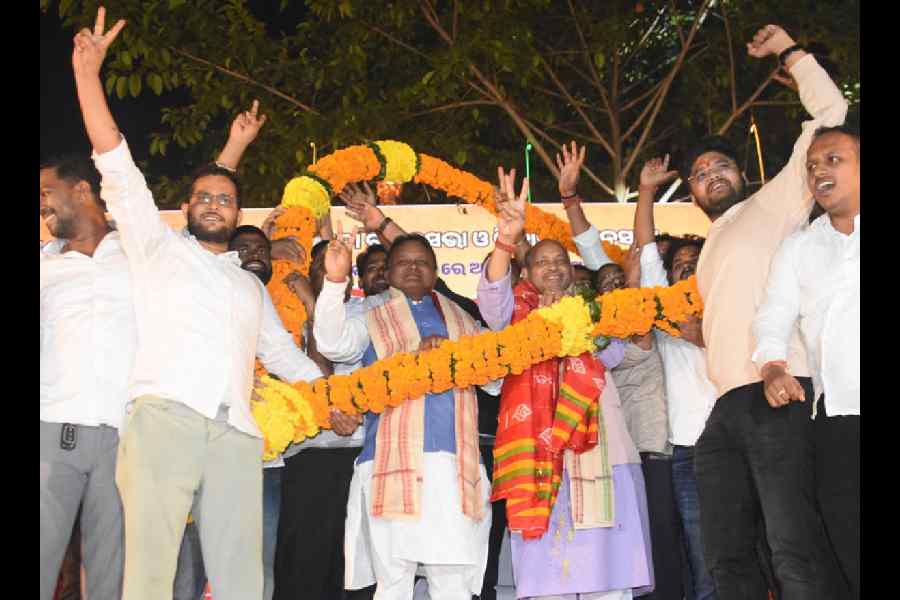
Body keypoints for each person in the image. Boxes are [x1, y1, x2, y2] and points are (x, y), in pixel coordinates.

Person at [71, 9, 323, 600]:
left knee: (242, 580)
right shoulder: (157, 249)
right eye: (204, 198)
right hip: (163, 421)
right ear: (185, 210)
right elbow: (116, 163)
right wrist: (87, 76)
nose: (215, 205)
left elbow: (286, 357)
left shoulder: (248, 286)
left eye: (227, 200)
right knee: (151, 575)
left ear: (239, 216)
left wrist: (333, 396)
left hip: (237, 432)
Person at [681, 25, 847, 599]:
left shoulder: (775, 202)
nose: (711, 176)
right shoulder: (705, 254)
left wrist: (790, 51)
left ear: (741, 173)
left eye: (720, 166)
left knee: (792, 547)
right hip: (723, 410)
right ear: (694, 194)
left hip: (781, 392)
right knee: (725, 556)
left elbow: (830, 109)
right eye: (699, 174)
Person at [478, 167, 652, 600]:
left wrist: (585, 327)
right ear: (526, 273)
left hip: (598, 447)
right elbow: (490, 294)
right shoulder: (512, 312)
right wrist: (507, 236)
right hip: (535, 450)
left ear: (573, 274)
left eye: (560, 261)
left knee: (606, 576)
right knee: (548, 578)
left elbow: (612, 354)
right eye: (542, 261)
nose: (553, 268)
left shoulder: (592, 313)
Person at [339, 184, 510, 600]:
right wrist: (332, 282)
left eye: (422, 264)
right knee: (393, 579)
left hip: (454, 464)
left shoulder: (463, 318)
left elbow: (496, 379)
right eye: (403, 263)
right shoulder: (366, 313)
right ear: (389, 269)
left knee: (450, 581)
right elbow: (331, 342)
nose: (413, 269)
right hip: (388, 460)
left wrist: (453, 355)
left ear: (436, 273)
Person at [752, 126, 859, 598]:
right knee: (843, 548)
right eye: (812, 165)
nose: (819, 171)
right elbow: (772, 315)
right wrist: (772, 367)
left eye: (833, 159)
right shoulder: (799, 247)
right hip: (836, 423)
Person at [40, 153, 129, 600]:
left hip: (123, 433)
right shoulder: (44, 268)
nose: (41, 206)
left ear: (81, 191)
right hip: (53, 430)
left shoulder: (137, 253)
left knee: (109, 570)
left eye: (45, 193)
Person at [633, 155, 717, 600]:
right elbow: (646, 249)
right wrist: (646, 192)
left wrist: (706, 338)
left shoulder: (731, 303)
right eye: (680, 262)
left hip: (737, 446)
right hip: (684, 451)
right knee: (700, 560)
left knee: (746, 551)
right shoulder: (662, 309)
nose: (686, 266)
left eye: (695, 260)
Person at [274, 238, 376, 600]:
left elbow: (329, 362)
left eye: (335, 265)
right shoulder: (282, 310)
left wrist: (313, 304)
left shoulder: (363, 312)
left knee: (350, 558)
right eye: (319, 266)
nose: (327, 270)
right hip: (304, 451)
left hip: (352, 447)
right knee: (305, 558)